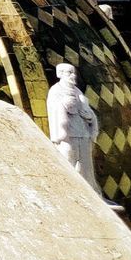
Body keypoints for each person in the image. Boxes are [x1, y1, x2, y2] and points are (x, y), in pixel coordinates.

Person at [46, 62, 100, 191]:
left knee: (86, 167)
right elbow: (54, 110)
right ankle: (66, 191)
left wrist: (90, 117)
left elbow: (87, 110)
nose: (73, 76)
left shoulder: (78, 91)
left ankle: (90, 192)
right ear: (60, 74)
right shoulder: (56, 91)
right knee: (67, 163)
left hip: (83, 134)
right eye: (69, 73)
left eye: (74, 73)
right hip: (68, 136)